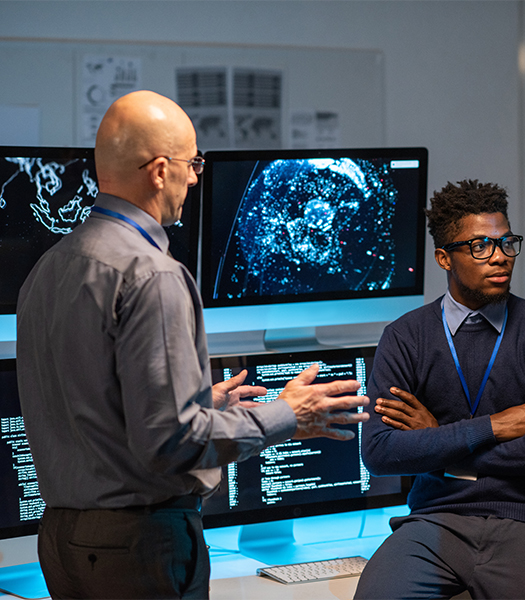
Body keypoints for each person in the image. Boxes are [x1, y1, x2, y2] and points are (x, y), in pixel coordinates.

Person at [15, 90, 369, 600]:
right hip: (137, 546)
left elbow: (85, 409)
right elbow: (171, 444)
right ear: (160, 170)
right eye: (193, 161)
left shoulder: (47, 270)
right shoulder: (151, 273)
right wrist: (288, 414)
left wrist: (203, 406)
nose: (197, 176)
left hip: (61, 545)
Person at [354, 179, 525, 600]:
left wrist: (436, 438)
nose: (500, 258)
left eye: (506, 243)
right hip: (435, 518)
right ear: (444, 257)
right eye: (480, 246)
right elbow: (380, 453)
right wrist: (490, 426)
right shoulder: (405, 337)